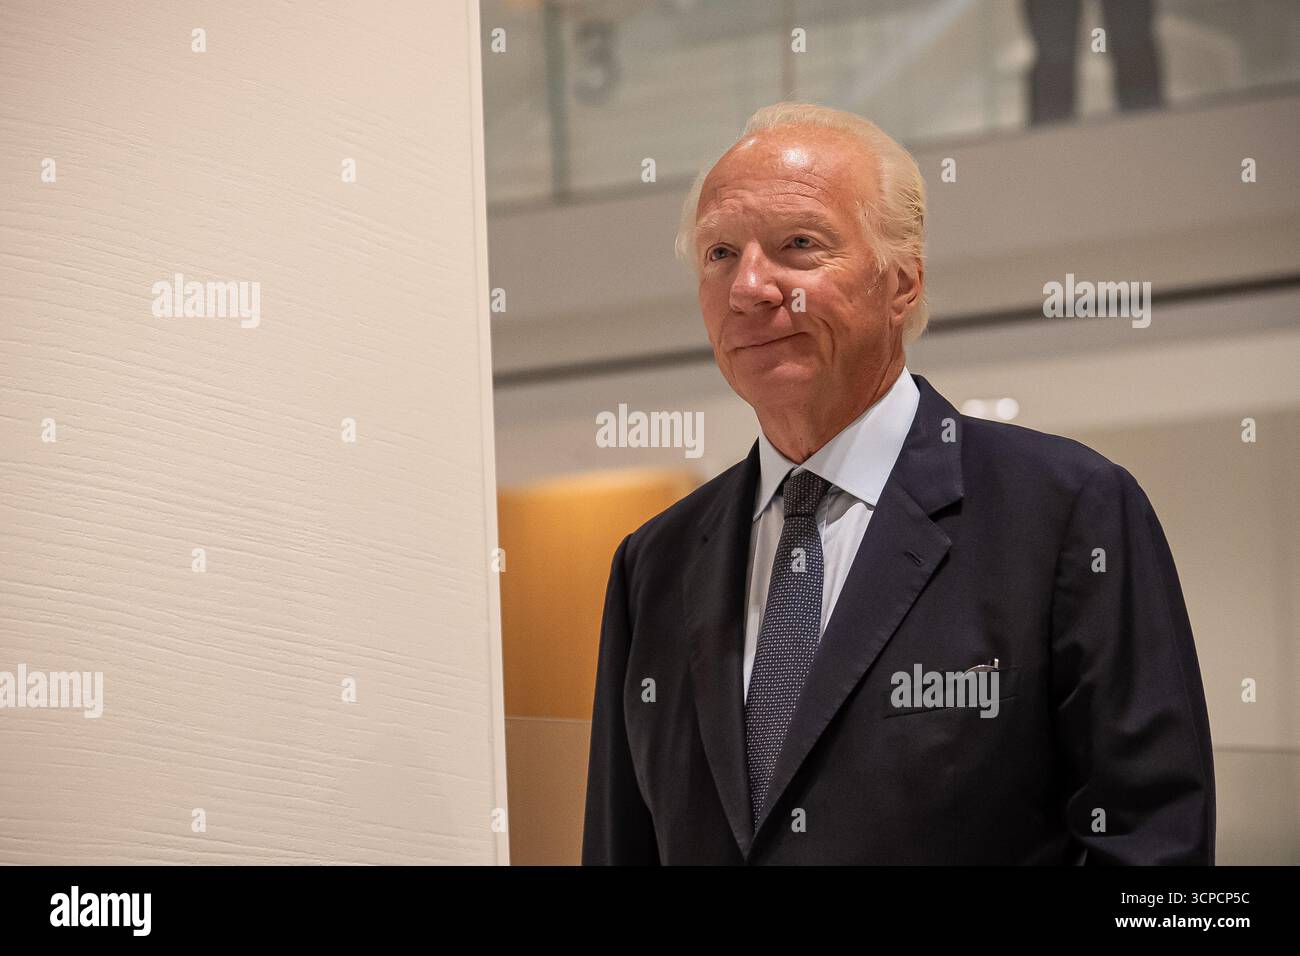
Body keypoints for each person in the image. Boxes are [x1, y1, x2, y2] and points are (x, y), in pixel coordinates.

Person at [582, 102, 1214, 864]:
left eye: (798, 245)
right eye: (720, 254)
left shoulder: (1068, 514)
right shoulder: (654, 563)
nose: (749, 286)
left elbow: (1156, 856)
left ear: (903, 282)